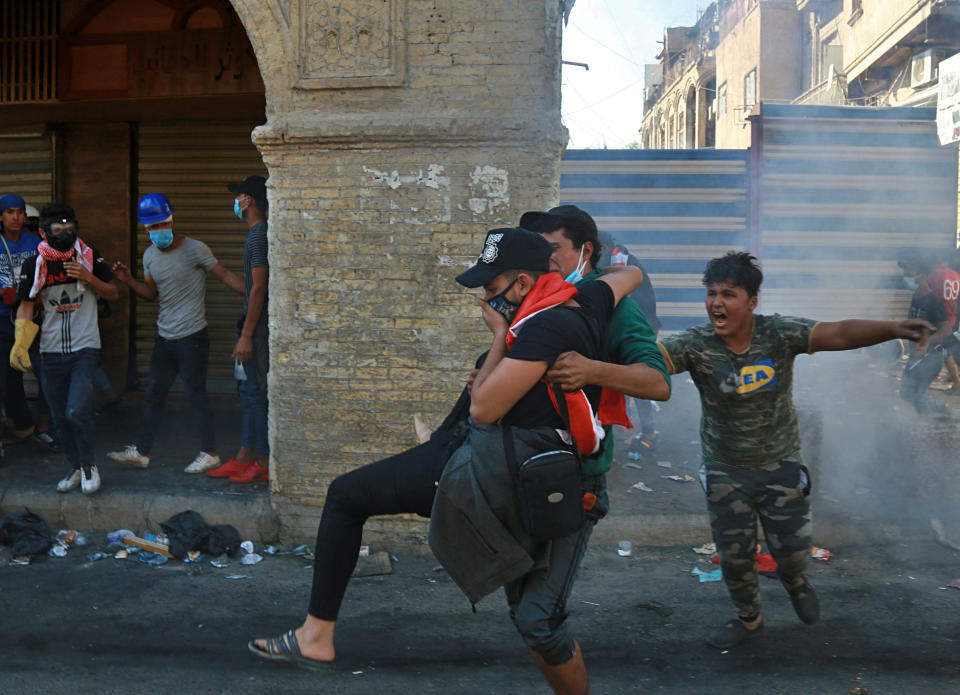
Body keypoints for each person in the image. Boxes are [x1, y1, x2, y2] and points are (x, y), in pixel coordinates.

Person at [248, 228, 649, 695]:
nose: (485, 300)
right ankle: (316, 635)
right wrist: (586, 280)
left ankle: (317, 635)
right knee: (535, 621)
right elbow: (631, 275)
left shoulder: (543, 326)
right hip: (495, 460)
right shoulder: (582, 298)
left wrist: (499, 338)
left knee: (347, 496)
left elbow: (483, 408)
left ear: (523, 284)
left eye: (493, 290)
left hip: (490, 471)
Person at [657, 251, 934, 649]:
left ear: (752, 301)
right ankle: (749, 621)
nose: (717, 302)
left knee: (790, 552)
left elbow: (839, 333)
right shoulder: (696, 345)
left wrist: (893, 328)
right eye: (712, 293)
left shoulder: (779, 333)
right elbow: (651, 362)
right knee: (735, 560)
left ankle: (795, 581)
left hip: (781, 466)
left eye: (729, 294)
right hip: (725, 471)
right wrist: (596, 364)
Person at [517, 205, 670, 478]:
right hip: (526, 460)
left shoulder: (616, 307)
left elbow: (658, 382)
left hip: (576, 471)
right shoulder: (541, 296)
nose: (545, 258)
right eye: (540, 249)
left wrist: (591, 371)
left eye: (554, 248)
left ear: (586, 251)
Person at [107, 193, 243, 473]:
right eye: (152, 227)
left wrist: (255, 293)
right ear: (146, 229)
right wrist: (129, 280)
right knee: (154, 395)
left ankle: (210, 452)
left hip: (192, 338)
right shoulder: (148, 256)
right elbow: (151, 294)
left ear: (172, 220)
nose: (159, 231)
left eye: (163, 224)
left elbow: (224, 274)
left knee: (196, 396)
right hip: (164, 338)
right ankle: (142, 452)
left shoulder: (195, 249)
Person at [10, 204, 120, 494]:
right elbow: (25, 305)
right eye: (57, 230)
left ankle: (88, 466)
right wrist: (20, 344)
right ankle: (75, 467)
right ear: (44, 232)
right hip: (50, 352)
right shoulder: (34, 264)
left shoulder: (89, 256)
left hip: (86, 348)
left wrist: (89, 278)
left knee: (76, 410)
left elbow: (113, 293)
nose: (64, 234)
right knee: (60, 417)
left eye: (69, 228)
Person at [205, 175, 269, 483]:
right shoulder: (255, 235)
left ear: (250, 201)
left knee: (255, 394)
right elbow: (249, 288)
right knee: (247, 392)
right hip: (249, 327)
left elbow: (259, 289)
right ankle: (245, 456)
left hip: (255, 332)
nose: (237, 201)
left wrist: (246, 335)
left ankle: (264, 461)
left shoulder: (259, 236)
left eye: (240, 195)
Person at [0, 194, 57, 457]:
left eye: (19, 212)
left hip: (32, 320)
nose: (15, 217)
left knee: (46, 373)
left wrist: (28, 296)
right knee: (7, 377)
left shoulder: (35, 243)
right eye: (10, 212)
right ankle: (20, 427)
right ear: (1, 216)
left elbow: (49, 277)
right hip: (2, 320)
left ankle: (48, 427)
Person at [898, 253, 953, 413]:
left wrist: (926, 342)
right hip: (916, 356)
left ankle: (941, 414)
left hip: (930, 358)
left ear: (922, 275)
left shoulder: (933, 300)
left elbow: (947, 329)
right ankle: (936, 416)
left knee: (916, 396)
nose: (905, 276)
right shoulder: (916, 295)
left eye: (910, 272)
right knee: (906, 394)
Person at [925, 252, 960, 393]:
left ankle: (957, 384)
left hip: (940, 318)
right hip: (953, 316)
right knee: (945, 350)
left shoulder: (934, 275)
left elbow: (928, 293)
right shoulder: (956, 275)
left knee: (945, 351)